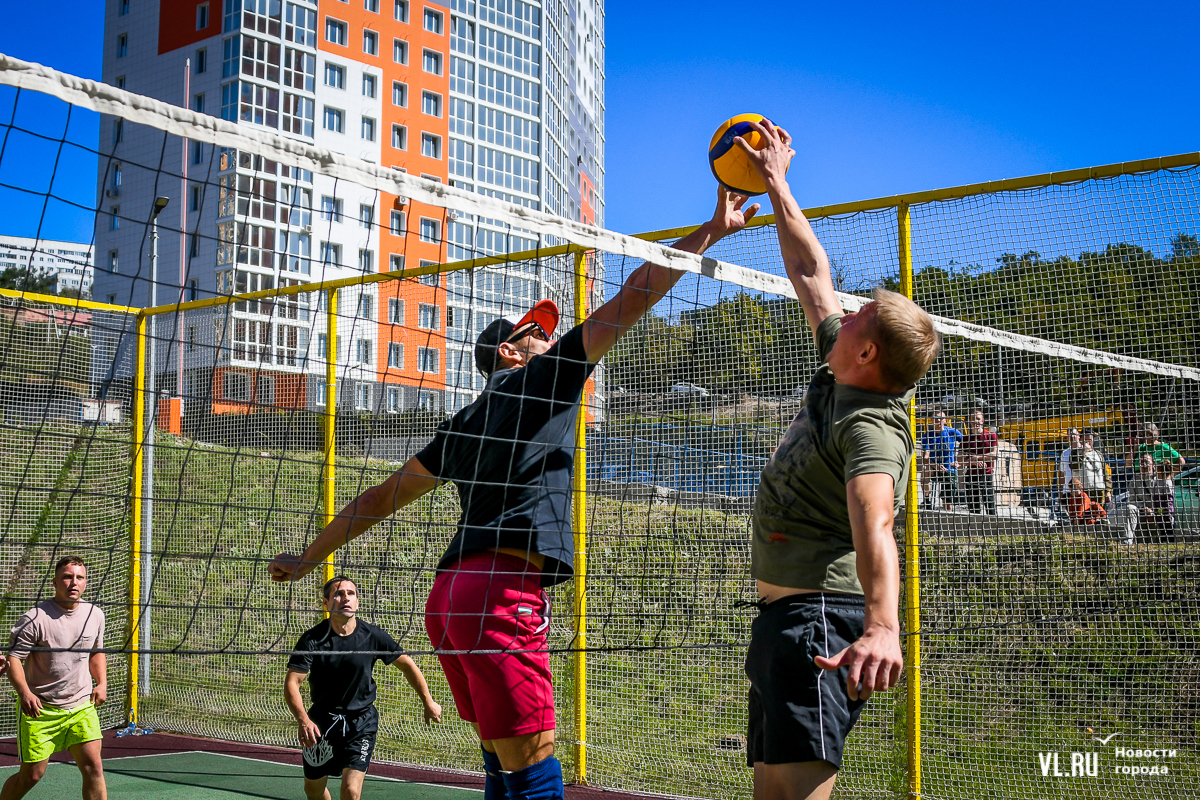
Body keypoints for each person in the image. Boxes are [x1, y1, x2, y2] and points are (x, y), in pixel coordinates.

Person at [268, 186, 762, 799]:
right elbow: (635, 294)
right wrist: (711, 230)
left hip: (450, 602)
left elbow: (376, 499)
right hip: (499, 594)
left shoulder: (461, 425)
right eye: (540, 332)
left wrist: (309, 559)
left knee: (502, 767)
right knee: (534, 775)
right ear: (510, 351)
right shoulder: (542, 380)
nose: (553, 339)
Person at [733, 119, 941, 800]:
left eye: (856, 317)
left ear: (869, 352)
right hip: (785, 624)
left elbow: (877, 525)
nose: (842, 312)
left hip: (820, 621)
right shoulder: (840, 371)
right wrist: (776, 180)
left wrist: (885, 625)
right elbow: (811, 271)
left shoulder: (874, 427)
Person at [285, 576, 441, 800]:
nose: (345, 598)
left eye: (351, 593)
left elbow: (407, 665)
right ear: (326, 603)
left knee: (351, 792)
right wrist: (303, 720)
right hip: (321, 723)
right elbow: (292, 682)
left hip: (361, 723)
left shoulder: (373, 636)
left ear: (357, 601)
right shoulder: (312, 639)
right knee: (313, 790)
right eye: (338, 594)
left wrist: (428, 701)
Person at [2, 556, 106, 800]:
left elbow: (96, 652)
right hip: (41, 710)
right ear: (55, 582)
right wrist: (25, 693)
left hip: (81, 706)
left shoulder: (95, 614)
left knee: (94, 768)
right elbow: (14, 659)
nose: (73, 583)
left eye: (79, 578)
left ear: (86, 583)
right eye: (67, 577)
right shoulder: (35, 618)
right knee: (32, 775)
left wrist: (102, 683)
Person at [919, 411, 961, 510]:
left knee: (948, 504)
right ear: (932, 420)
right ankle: (927, 499)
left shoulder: (952, 432)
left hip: (949, 468)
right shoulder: (927, 436)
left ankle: (948, 509)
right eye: (936, 418)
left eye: (941, 418)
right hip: (935, 468)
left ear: (945, 420)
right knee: (925, 469)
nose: (939, 420)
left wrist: (958, 460)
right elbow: (925, 457)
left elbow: (966, 445)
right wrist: (935, 466)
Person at [1127, 454, 1175, 542]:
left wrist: (1155, 511)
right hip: (1143, 511)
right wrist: (1144, 508)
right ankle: (1132, 542)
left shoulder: (1161, 477)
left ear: (1153, 465)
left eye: (1147, 462)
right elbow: (1132, 500)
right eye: (1141, 463)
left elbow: (1167, 499)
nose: (1144, 465)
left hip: (1159, 512)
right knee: (1131, 509)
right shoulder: (1134, 481)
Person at [959, 410, 998, 515]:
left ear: (982, 420)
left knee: (990, 504)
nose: (975, 421)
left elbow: (994, 455)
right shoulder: (965, 439)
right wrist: (973, 463)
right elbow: (959, 460)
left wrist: (979, 457)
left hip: (986, 474)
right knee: (973, 507)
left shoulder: (991, 435)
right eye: (973, 419)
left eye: (978, 419)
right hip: (971, 475)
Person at [1073, 431, 1112, 507]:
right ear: (1081, 440)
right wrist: (1083, 453)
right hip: (1084, 491)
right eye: (1086, 440)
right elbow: (1074, 466)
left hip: (1099, 491)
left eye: (1090, 440)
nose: (1088, 443)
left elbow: (1105, 474)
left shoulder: (1098, 454)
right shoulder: (1075, 452)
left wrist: (1108, 491)